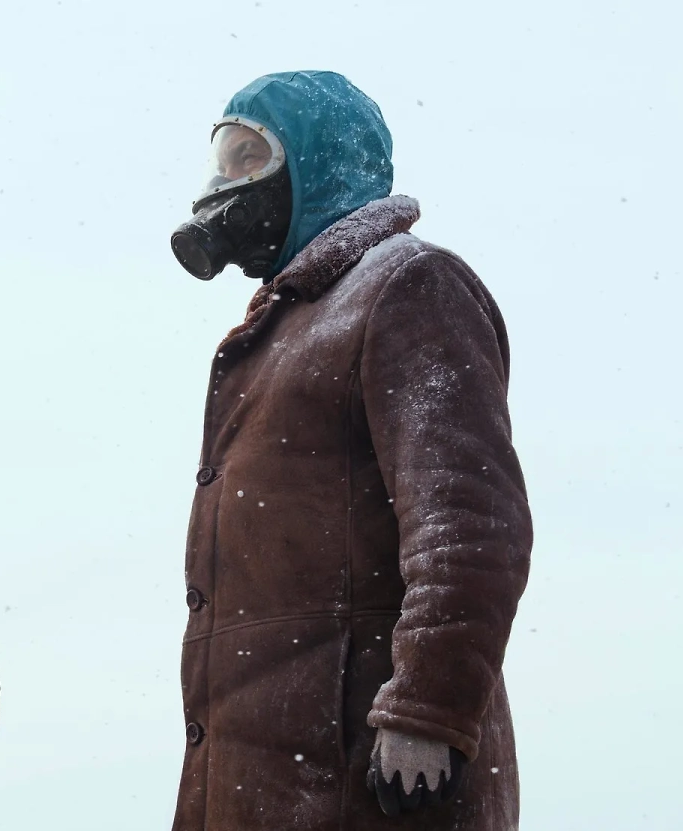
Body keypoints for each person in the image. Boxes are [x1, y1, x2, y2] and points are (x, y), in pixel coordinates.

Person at [169, 71, 532, 830]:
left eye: (250, 158)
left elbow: (469, 521)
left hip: (362, 782)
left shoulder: (407, 284)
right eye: (223, 156)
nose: (226, 182)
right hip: (266, 778)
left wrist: (428, 708)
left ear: (317, 160)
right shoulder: (283, 327)